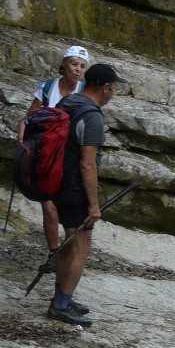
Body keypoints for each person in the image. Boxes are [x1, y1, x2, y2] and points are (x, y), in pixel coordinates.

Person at [46, 62, 129, 327]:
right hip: (74, 189)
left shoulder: (68, 102)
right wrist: (94, 205)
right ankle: (60, 305)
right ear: (105, 88)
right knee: (81, 245)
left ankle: (63, 299)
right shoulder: (92, 116)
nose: (113, 92)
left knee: (71, 242)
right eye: (114, 87)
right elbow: (87, 163)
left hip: (56, 182)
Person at [17, 45, 90, 252]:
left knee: (64, 207)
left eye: (82, 66)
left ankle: (68, 251)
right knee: (49, 209)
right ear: (63, 64)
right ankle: (53, 253)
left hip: (68, 156)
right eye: (74, 64)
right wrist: (22, 138)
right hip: (46, 155)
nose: (78, 70)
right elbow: (28, 119)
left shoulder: (84, 92)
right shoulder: (48, 88)